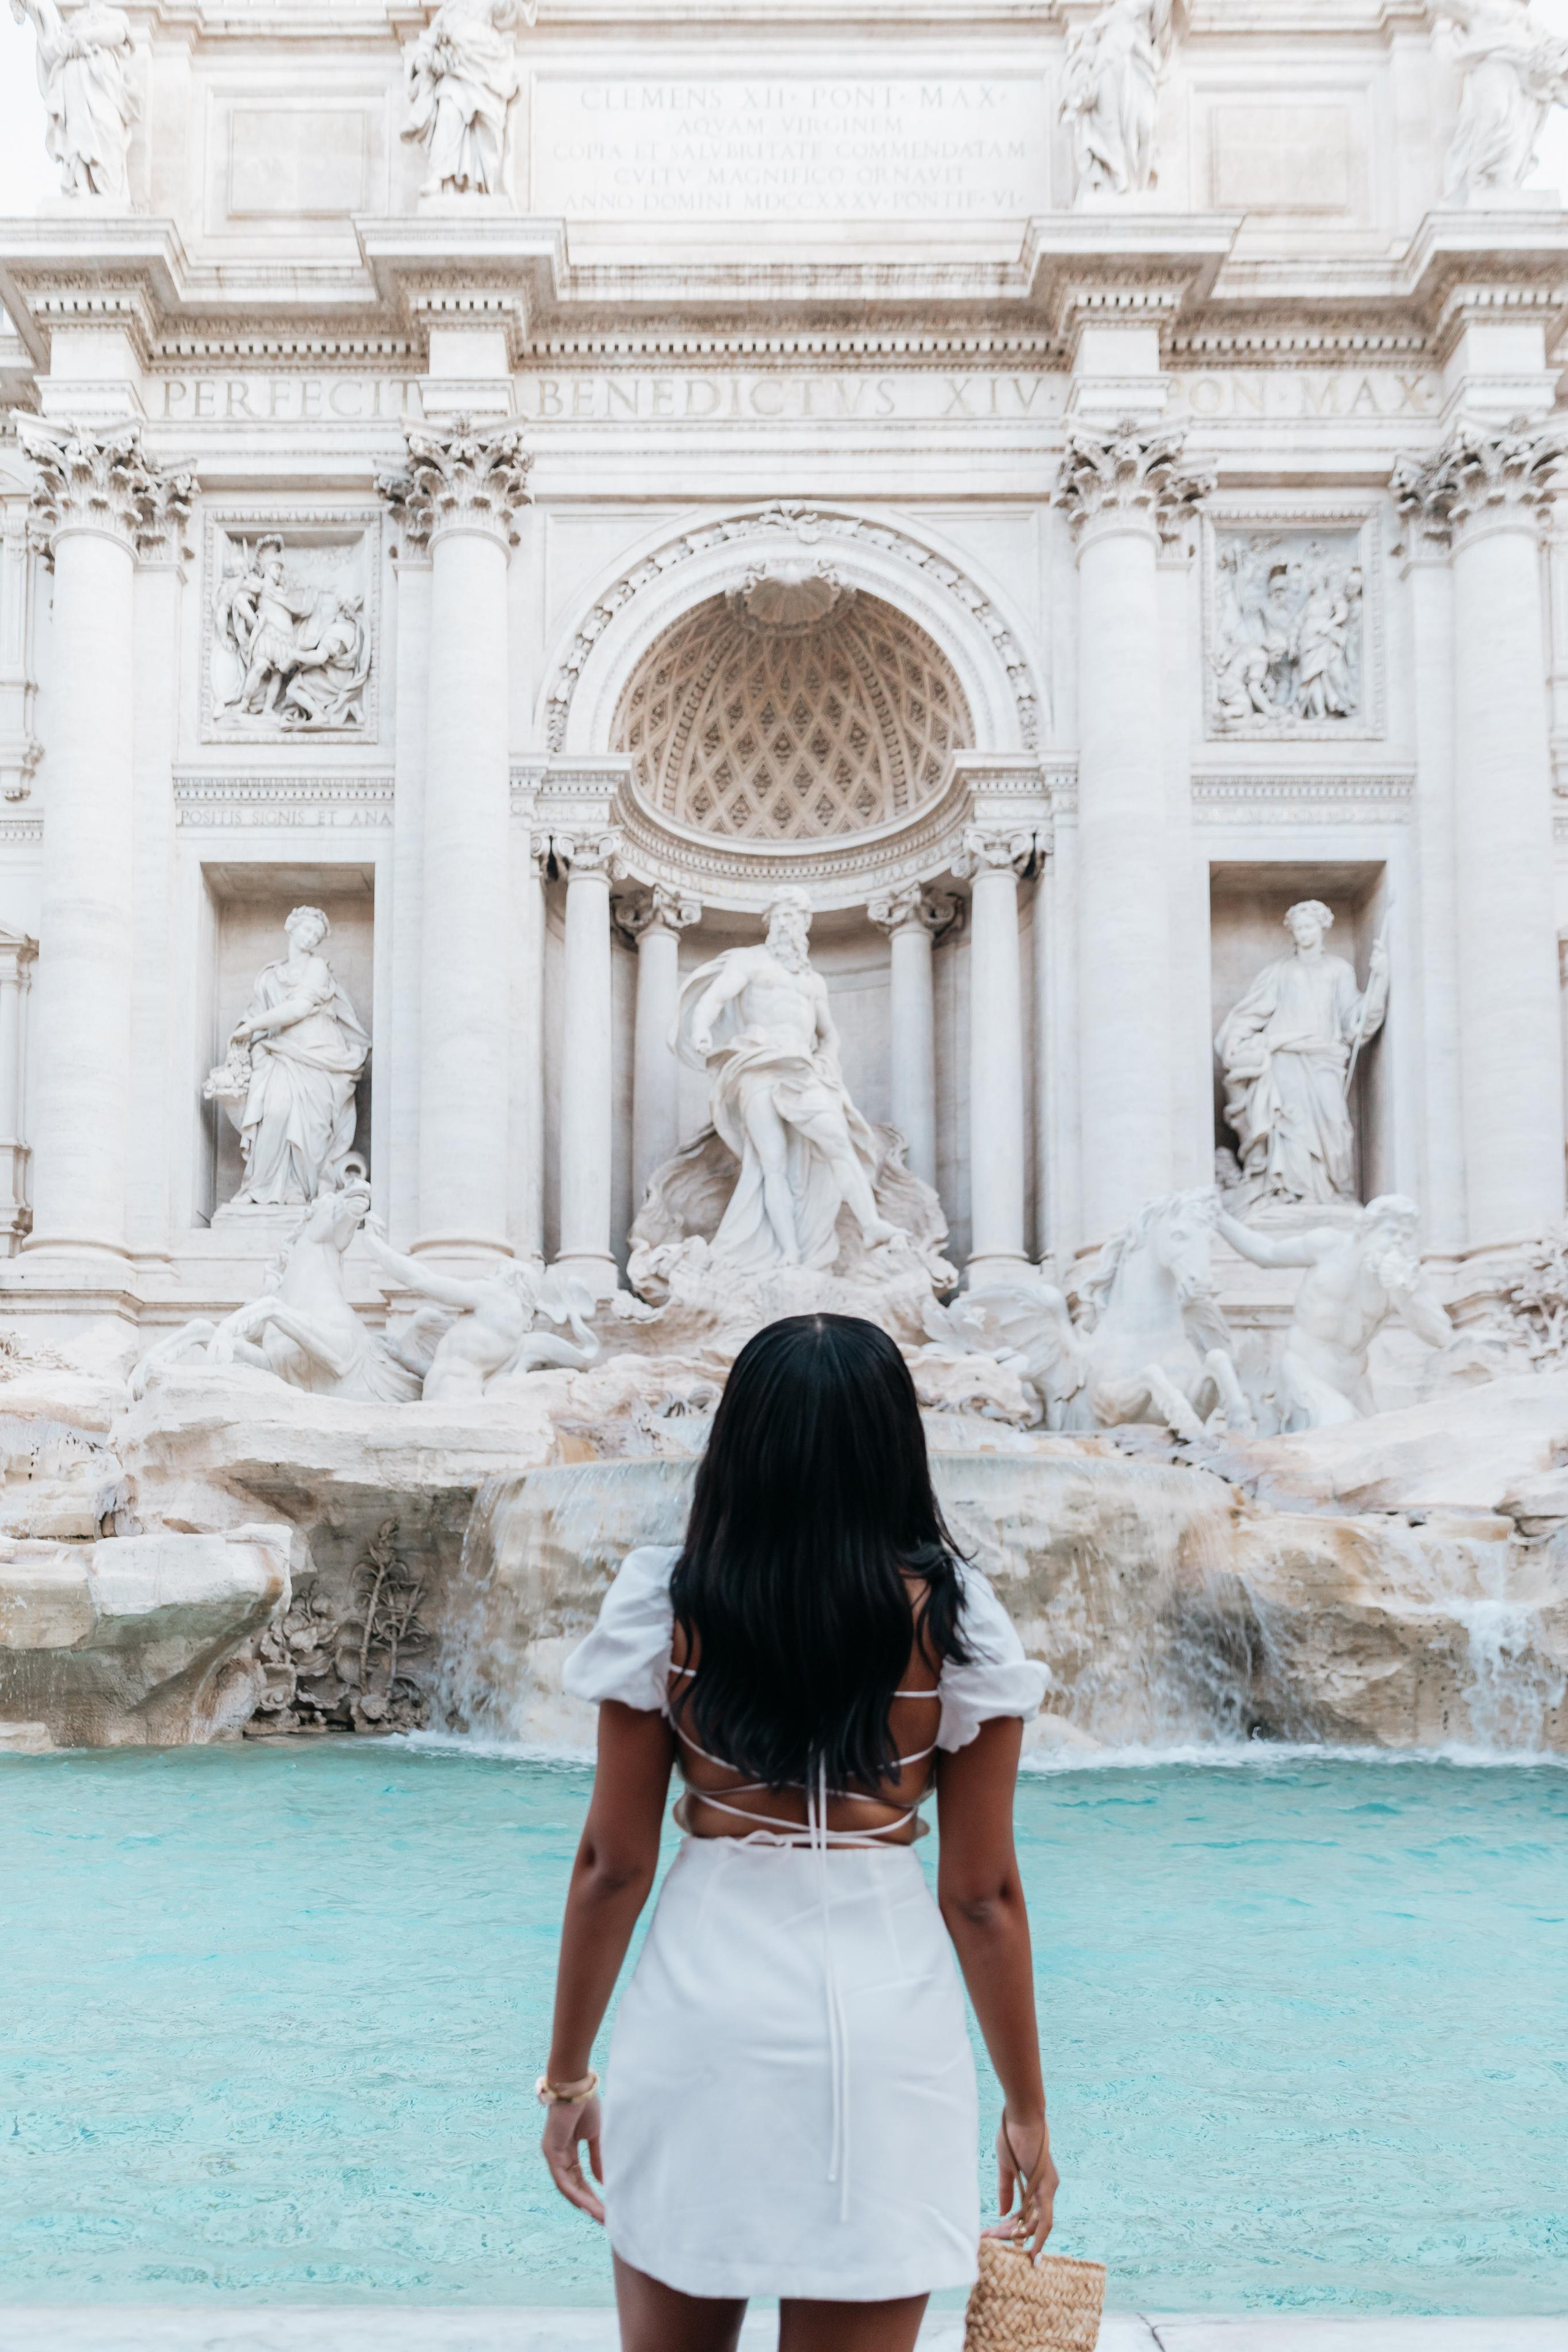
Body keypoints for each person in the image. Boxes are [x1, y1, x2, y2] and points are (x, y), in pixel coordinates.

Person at [539, 1313, 1055, 2352]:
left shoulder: (667, 1605)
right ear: (893, 1449)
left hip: (701, 2017)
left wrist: (567, 2080)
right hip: (883, 2031)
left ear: (742, 1445)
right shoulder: (960, 1624)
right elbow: (982, 1895)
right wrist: (1027, 2111)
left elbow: (612, 1867)